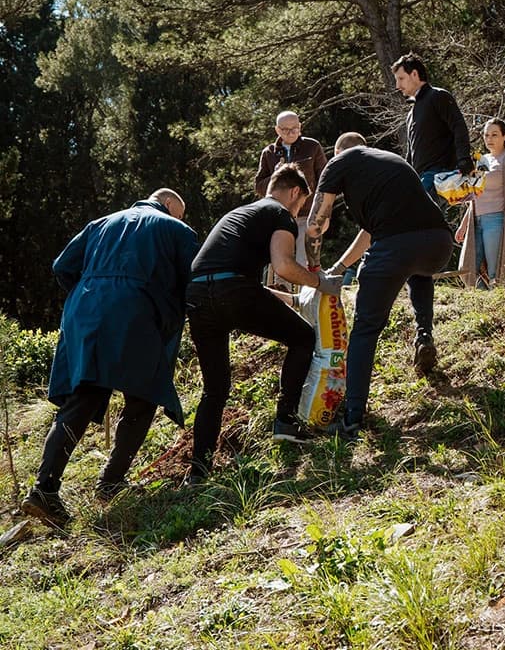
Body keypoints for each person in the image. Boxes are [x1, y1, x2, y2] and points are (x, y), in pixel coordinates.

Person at [21, 190, 198, 527]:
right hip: (136, 311)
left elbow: (62, 266)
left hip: (85, 311)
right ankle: (111, 482)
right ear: (171, 207)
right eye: (181, 213)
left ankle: (44, 489)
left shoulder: (100, 224)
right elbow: (196, 280)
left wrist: (93, 293)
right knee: (142, 397)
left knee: (82, 398)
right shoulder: (176, 230)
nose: (181, 219)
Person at [186, 164, 343, 482]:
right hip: (232, 291)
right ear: (296, 193)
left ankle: (198, 472)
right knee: (301, 337)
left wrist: (292, 299)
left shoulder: (240, 214)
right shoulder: (280, 214)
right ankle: (286, 422)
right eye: (300, 205)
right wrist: (321, 283)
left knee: (214, 389)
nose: (297, 211)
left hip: (198, 294)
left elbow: (241, 284)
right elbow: (283, 265)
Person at [307, 132, 453, 440]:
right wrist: (340, 268)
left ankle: (352, 418)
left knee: (366, 328)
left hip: (395, 248)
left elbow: (317, 221)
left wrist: (314, 269)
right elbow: (370, 233)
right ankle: (423, 335)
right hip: (438, 244)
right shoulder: (391, 162)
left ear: (339, 152)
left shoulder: (338, 162)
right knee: (417, 268)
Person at [392, 52, 473, 213]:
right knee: (421, 222)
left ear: (414, 74)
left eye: (401, 79)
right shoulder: (411, 113)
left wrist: (464, 158)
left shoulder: (438, 96)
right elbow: (411, 152)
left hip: (438, 175)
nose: (397, 86)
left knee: (417, 217)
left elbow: (459, 127)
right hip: (420, 177)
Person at [456, 118, 505, 288]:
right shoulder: (481, 160)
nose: (489, 139)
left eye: (495, 135)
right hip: (476, 221)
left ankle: (495, 304)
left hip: (496, 220)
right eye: (486, 135)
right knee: (467, 268)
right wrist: (463, 224)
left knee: (495, 271)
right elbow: (475, 196)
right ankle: (482, 300)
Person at [254, 110, 328, 269]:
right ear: (277, 130)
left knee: (304, 262)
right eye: (285, 130)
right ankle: (282, 293)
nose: (291, 133)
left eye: (294, 128)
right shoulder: (269, 153)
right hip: (278, 216)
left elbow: (325, 179)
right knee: (280, 263)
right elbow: (259, 186)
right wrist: (275, 174)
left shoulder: (312, 147)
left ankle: (304, 294)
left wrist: (322, 211)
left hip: (306, 214)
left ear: (300, 127)